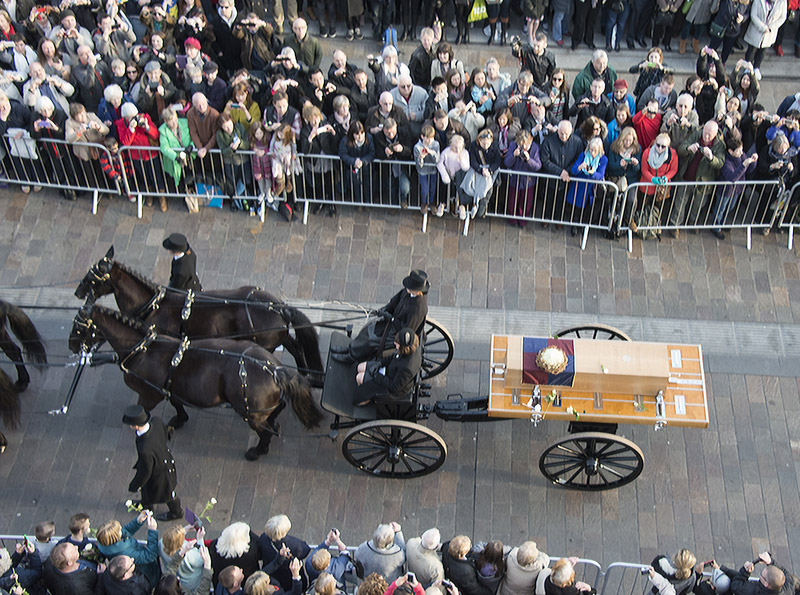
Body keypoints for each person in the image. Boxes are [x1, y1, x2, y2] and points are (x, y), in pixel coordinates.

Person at [333, 270, 429, 363]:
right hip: (391, 321)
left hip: (397, 333)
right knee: (368, 328)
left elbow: (407, 329)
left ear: (417, 290)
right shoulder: (407, 291)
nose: (406, 288)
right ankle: (351, 348)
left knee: (371, 338)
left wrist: (391, 319)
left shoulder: (418, 308)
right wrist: (385, 309)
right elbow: (395, 301)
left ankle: (352, 357)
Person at [122, 404, 182, 521]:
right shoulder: (157, 421)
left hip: (159, 472)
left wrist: (135, 485)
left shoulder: (145, 449)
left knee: (166, 492)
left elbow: (145, 471)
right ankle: (146, 506)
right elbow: (165, 435)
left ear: (136, 426)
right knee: (148, 489)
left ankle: (176, 512)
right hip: (164, 459)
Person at [353, 327, 422, 405]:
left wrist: (376, 376)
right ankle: (364, 388)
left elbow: (394, 387)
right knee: (360, 367)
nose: (395, 344)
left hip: (389, 385)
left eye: (397, 344)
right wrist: (379, 364)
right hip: (389, 371)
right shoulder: (409, 349)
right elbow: (392, 357)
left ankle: (366, 396)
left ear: (404, 348)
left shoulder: (406, 368)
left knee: (359, 378)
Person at [96, 514, 161, 590]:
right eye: (119, 530)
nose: (122, 528)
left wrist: (138, 521)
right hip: (147, 572)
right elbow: (150, 555)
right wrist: (152, 531)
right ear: (116, 536)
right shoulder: (126, 553)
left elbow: (126, 531)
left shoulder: (105, 543)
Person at [504, 129, 542, 227]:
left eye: (526, 144)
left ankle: (523, 220)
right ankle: (512, 219)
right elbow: (507, 163)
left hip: (528, 181)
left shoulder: (534, 148)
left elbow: (538, 166)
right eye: (521, 145)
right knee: (512, 201)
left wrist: (529, 159)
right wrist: (513, 155)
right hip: (514, 180)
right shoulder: (513, 145)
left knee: (526, 203)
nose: (524, 147)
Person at [743, 0, 787, 80]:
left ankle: (757, 67)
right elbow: (753, 15)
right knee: (751, 50)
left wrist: (771, 27)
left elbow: (782, 17)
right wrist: (763, 27)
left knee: (762, 51)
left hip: (769, 32)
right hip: (757, 30)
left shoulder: (782, 2)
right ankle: (748, 67)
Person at [209, 523, 262, 587]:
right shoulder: (250, 552)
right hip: (246, 583)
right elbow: (259, 543)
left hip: (223, 583)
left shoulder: (214, 547)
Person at [415, 124, 441, 217]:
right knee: (425, 189)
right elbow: (419, 166)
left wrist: (432, 153)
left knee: (433, 188)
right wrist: (421, 157)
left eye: (431, 138)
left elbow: (437, 160)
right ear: (422, 137)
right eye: (427, 138)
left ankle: (431, 202)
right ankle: (424, 203)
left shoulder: (436, 144)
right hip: (423, 172)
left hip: (433, 170)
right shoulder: (417, 147)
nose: (430, 141)